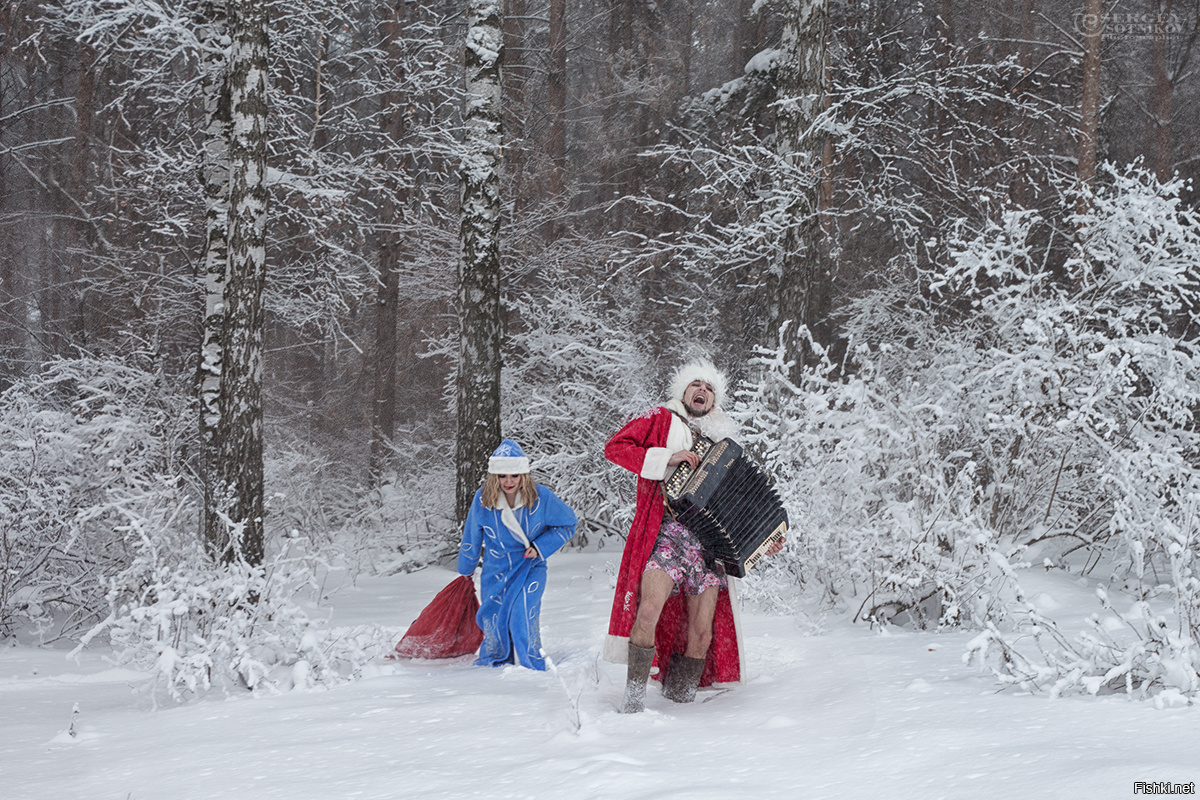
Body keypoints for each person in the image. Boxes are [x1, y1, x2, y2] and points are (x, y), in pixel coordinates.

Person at [603, 358, 781, 712]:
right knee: (649, 610)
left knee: (702, 634)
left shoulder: (724, 442)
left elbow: (743, 502)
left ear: (715, 400)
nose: (702, 390)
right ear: (683, 390)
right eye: (696, 384)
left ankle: (682, 710)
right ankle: (632, 704)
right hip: (666, 534)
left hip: (707, 546)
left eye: (710, 388)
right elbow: (615, 448)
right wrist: (667, 458)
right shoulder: (659, 418)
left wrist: (764, 539)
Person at [456, 439, 577, 670]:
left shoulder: (541, 497)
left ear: (523, 475)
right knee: (492, 616)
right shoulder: (483, 499)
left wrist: (540, 547)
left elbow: (568, 523)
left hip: (530, 566)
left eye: (514, 476)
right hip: (496, 569)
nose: (508, 482)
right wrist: (465, 570)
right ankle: (496, 661)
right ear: (495, 476)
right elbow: (472, 535)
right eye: (502, 476)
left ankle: (532, 663)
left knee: (522, 613)